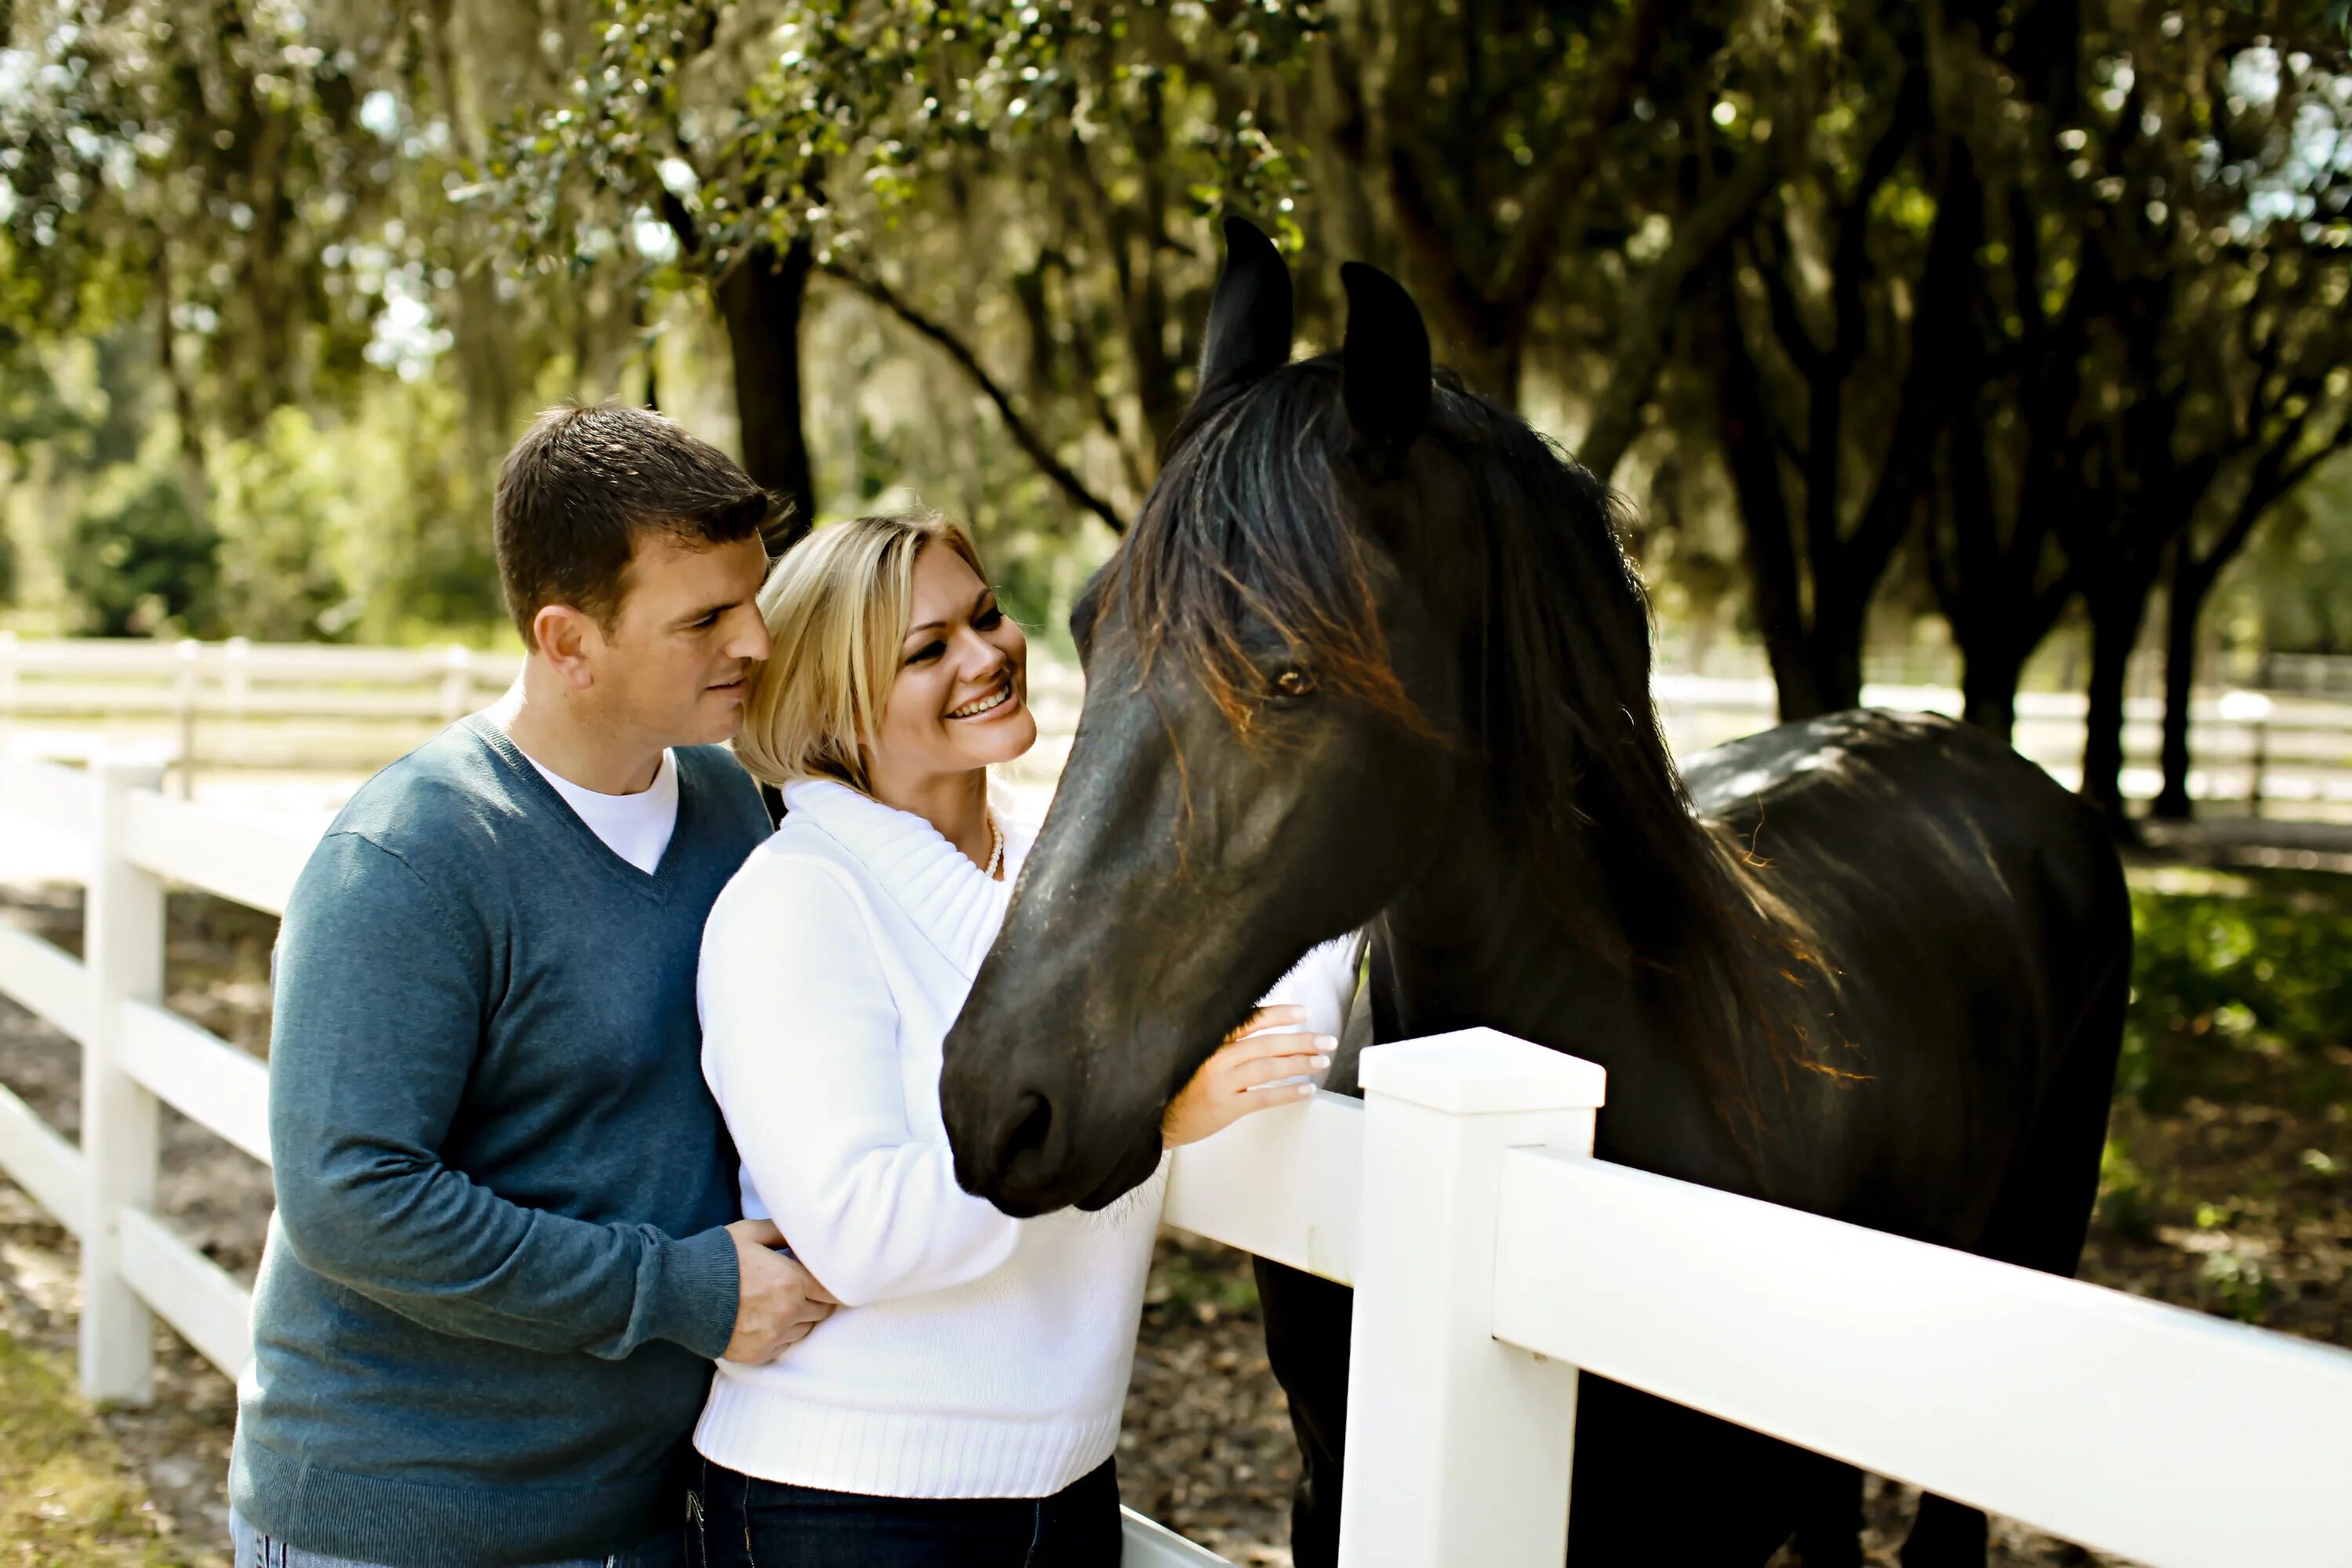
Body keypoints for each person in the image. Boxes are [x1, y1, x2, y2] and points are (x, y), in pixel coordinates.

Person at [227, 404, 836, 1568]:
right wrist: (678, 1291)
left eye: (752, 597)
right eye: (704, 618)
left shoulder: (729, 808)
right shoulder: (411, 856)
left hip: (644, 1513)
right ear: (567, 642)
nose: (756, 640)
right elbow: (351, 1197)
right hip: (404, 1522)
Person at [691, 510, 1359, 1566]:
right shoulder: (795, 904)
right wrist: (1144, 1114)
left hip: (1068, 1489)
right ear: (835, 706)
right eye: (927, 649)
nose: (988, 655)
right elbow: (862, 1231)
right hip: (848, 1505)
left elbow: (1281, 981)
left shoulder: (1074, 874)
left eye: (987, 615)